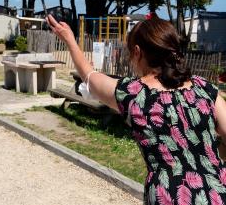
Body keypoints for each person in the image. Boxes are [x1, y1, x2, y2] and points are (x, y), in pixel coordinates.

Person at [46, 14, 226, 204]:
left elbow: (89, 76)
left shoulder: (133, 93)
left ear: (138, 52)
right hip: (218, 192)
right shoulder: (205, 88)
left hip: (169, 196)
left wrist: (70, 40)